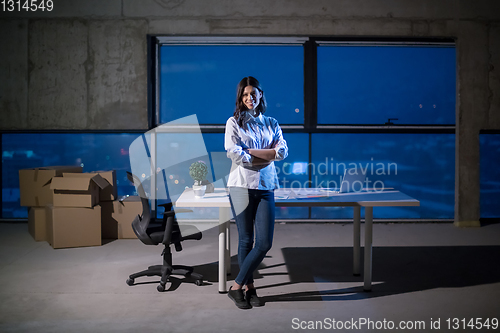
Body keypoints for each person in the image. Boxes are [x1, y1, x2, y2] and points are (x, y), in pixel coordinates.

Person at [224, 76, 288, 309]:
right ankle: (249, 289)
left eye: (253, 93)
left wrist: (253, 152)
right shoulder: (234, 122)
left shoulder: (272, 122)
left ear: (260, 94)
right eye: (245, 95)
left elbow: (282, 152)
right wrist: (266, 153)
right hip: (240, 186)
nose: (250, 98)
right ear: (240, 98)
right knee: (246, 240)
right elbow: (235, 154)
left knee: (264, 243)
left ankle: (236, 287)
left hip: (266, 186)